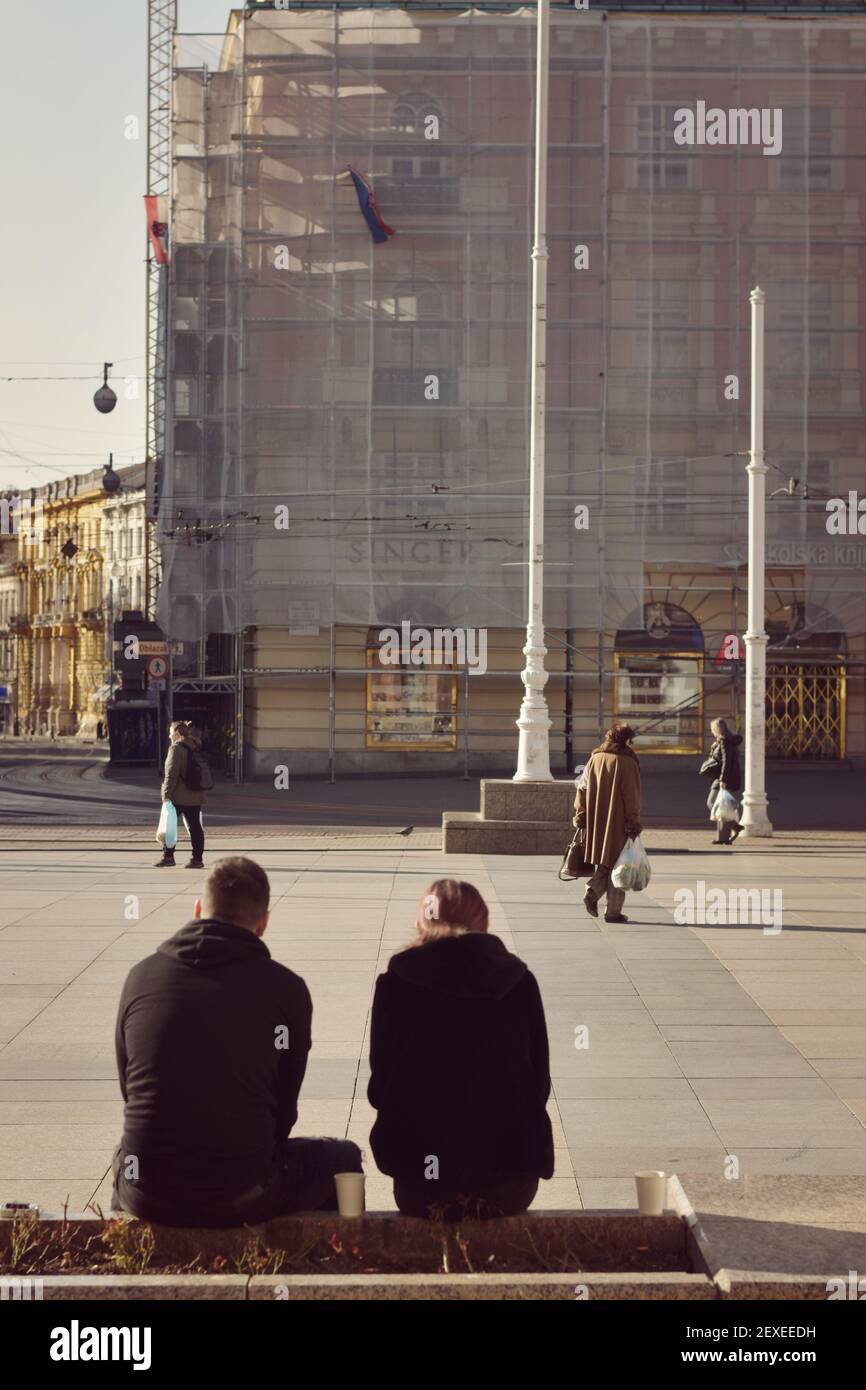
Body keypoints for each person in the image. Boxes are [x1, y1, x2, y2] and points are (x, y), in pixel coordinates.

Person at [112, 856, 362, 1227]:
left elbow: (130, 1089)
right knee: (343, 1159)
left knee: (128, 1156)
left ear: (198, 909)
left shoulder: (141, 977)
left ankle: (129, 1257)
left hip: (147, 1192)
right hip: (243, 1192)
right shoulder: (286, 989)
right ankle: (323, 1262)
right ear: (262, 922)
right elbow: (283, 1106)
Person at [368, 879, 554, 1220]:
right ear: (483, 922)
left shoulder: (396, 984)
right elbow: (539, 1081)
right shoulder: (518, 982)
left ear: (424, 919)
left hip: (421, 1183)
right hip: (509, 1182)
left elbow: (381, 1083)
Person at [575, 723, 642, 924]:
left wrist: (581, 813)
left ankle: (594, 893)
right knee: (620, 865)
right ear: (626, 740)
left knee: (606, 863)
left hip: (596, 822)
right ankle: (610, 909)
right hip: (619, 822)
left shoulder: (595, 758)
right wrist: (633, 822)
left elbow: (582, 788)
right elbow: (632, 797)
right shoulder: (628, 763)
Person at [155, 719, 206, 869]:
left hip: (178, 795)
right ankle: (197, 859)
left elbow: (171, 774)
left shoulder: (176, 749)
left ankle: (168, 856)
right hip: (195, 794)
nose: (169, 736)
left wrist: (165, 795)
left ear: (177, 733)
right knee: (195, 827)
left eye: (170, 733)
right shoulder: (195, 746)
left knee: (168, 825)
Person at [706, 717, 744, 846]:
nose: (712, 732)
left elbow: (726, 762)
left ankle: (735, 826)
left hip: (723, 777)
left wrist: (723, 779)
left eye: (712, 729)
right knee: (722, 807)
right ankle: (723, 838)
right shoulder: (725, 740)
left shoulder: (724, 741)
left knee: (712, 803)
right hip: (724, 776)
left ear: (717, 729)